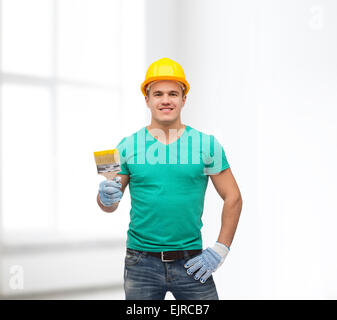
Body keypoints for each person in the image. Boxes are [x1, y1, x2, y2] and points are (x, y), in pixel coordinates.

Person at [96, 57, 243, 300]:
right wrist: (104, 198)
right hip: (140, 263)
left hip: (192, 261)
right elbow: (109, 206)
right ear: (147, 99)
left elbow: (233, 197)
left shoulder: (206, 145)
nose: (166, 100)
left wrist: (221, 249)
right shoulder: (126, 146)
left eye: (173, 93)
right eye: (158, 94)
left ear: (183, 99)